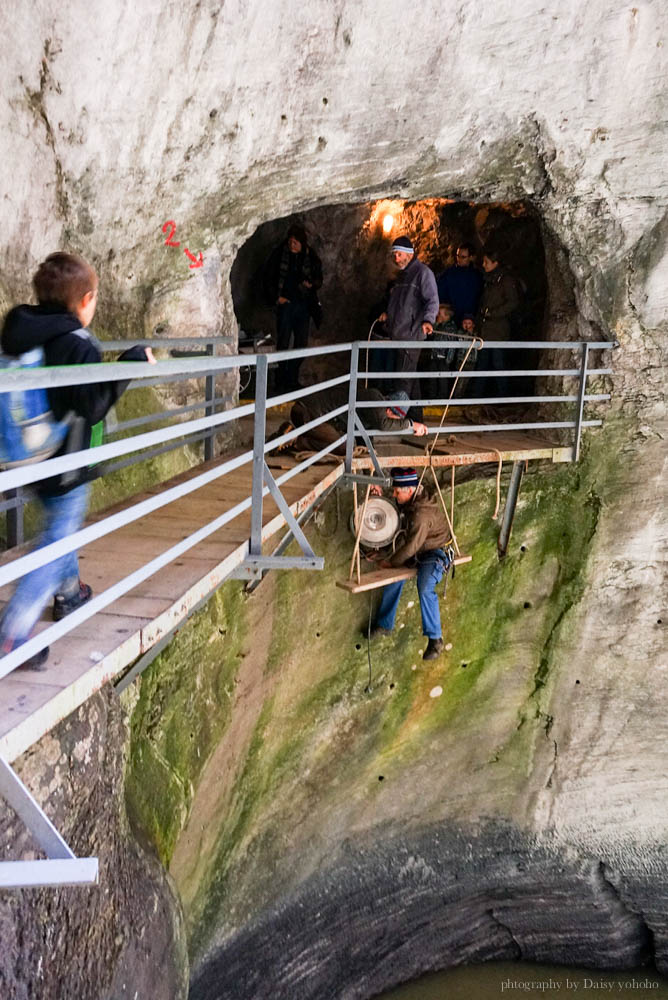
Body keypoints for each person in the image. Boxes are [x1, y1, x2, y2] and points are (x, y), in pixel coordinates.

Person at [0, 252, 155, 670]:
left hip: (25, 460)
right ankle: (13, 633)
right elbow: (93, 404)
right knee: (60, 537)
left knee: (58, 528)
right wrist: (132, 362)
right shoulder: (76, 343)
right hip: (63, 462)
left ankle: (69, 593)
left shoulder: (20, 332)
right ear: (85, 300)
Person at [367, 467, 453, 661]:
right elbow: (400, 534)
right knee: (394, 577)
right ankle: (385, 623)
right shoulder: (411, 501)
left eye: (397, 492)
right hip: (420, 551)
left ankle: (435, 638)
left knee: (425, 585)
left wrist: (390, 561)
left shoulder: (421, 514)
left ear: (411, 490)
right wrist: (382, 553)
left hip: (435, 553)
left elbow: (411, 546)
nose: (395, 495)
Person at [273, 387, 428, 455]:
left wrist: (372, 478)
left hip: (311, 415)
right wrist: (411, 424)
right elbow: (384, 424)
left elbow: (365, 442)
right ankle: (296, 439)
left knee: (345, 445)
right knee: (344, 447)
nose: (394, 423)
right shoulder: (375, 399)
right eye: (396, 419)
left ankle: (290, 434)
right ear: (390, 411)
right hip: (309, 413)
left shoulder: (371, 411)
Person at [377, 236, 439, 406]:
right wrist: (387, 315)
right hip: (399, 334)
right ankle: (416, 418)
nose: (396, 258)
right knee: (410, 377)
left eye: (399, 254)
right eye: (394, 255)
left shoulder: (423, 273)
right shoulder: (402, 277)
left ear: (409, 254)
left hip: (411, 335)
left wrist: (428, 320)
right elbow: (398, 304)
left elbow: (432, 300)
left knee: (403, 378)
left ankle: (400, 419)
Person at [262, 224, 323, 393]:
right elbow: (268, 277)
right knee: (283, 342)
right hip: (286, 305)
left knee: (301, 344)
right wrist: (277, 298)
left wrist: (311, 284)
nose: (292, 245)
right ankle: (281, 381)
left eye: (295, 242)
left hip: (303, 307)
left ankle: (292, 378)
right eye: (290, 242)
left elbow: (318, 278)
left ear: (302, 243)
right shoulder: (280, 255)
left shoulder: (310, 256)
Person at [475, 248, 521, 404]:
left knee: (498, 364)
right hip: (485, 330)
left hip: (498, 331)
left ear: (495, 263)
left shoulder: (505, 280)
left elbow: (513, 303)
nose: (483, 264)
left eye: (486, 262)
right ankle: (477, 398)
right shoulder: (489, 279)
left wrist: (492, 313)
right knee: (482, 364)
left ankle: (503, 399)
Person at [435, 243, 484, 327]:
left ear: (471, 257)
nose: (459, 259)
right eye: (458, 256)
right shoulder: (448, 274)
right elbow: (439, 292)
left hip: (469, 321)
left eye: (463, 257)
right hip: (451, 320)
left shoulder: (477, 276)